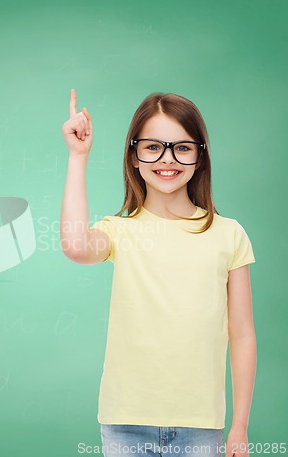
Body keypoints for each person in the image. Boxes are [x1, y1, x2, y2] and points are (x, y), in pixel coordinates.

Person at [60, 89, 256, 457]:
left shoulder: (229, 234)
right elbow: (75, 246)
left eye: (182, 147)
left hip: (201, 425)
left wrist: (240, 426)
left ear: (200, 157)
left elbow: (242, 334)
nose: (167, 159)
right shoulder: (119, 231)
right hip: (125, 422)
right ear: (133, 156)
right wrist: (77, 158)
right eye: (152, 147)